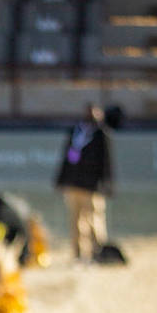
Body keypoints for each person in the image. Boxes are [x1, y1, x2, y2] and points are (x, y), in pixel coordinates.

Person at [54, 106, 113, 261]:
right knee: (75, 221)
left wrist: (106, 185)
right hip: (74, 184)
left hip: (92, 187)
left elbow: (106, 163)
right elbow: (68, 158)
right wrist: (61, 180)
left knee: (94, 220)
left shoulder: (100, 134)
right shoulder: (77, 133)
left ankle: (98, 252)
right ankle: (78, 253)